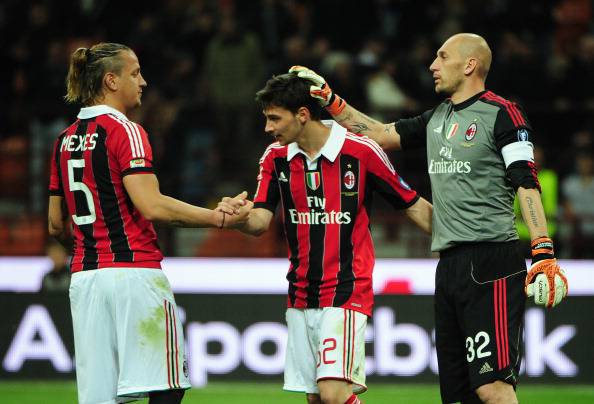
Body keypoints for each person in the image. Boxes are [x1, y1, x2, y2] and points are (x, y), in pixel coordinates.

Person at [290, 32, 569, 404]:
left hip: (492, 260)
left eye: (442, 56)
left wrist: (543, 250)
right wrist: (330, 100)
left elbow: (526, 182)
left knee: (493, 388)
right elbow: (378, 135)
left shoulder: (503, 113)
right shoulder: (437, 117)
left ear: (470, 65)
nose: (433, 65)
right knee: (457, 395)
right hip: (449, 264)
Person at [47, 42, 250, 404]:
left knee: (100, 398)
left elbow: (55, 225)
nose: (143, 82)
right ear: (111, 81)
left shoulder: (64, 141)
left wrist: (94, 251)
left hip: (86, 280)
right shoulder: (126, 131)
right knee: (167, 387)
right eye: (135, 73)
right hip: (134, 274)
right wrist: (219, 218)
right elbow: (152, 205)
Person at [221, 73, 432, 404]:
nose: (267, 128)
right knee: (317, 398)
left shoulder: (360, 151)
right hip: (301, 292)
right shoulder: (275, 157)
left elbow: (412, 205)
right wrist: (235, 218)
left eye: (274, 118)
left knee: (334, 393)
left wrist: (462, 239)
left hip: (346, 287)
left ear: (303, 114)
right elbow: (260, 221)